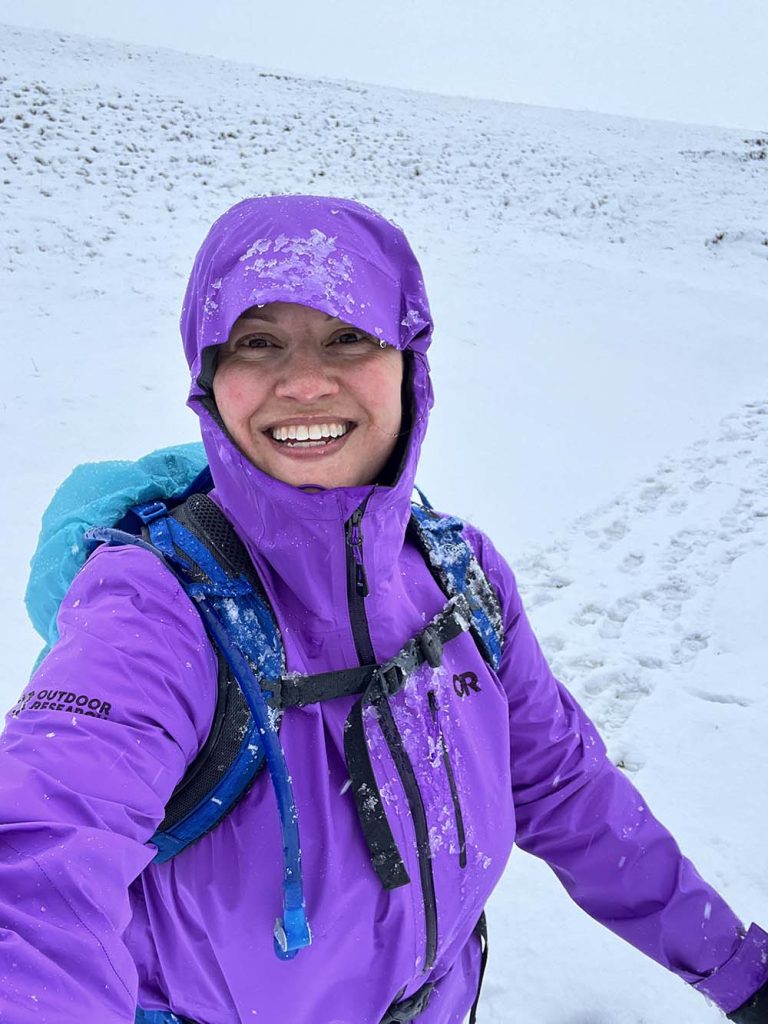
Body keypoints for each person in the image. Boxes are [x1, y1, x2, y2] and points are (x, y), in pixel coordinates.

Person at [1, 195, 766, 1024]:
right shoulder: (154, 605)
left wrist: (740, 970)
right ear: (209, 377)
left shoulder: (461, 574)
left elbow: (571, 792)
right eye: (258, 342)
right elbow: (38, 861)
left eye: (347, 336)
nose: (302, 381)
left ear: (409, 365)